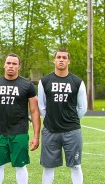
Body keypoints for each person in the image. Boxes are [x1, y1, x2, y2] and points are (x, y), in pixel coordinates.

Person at [0, 53, 41, 184]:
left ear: (19, 67)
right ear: (4, 65)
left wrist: (36, 136)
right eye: (8, 63)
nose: (11, 66)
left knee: (20, 166)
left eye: (14, 64)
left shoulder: (28, 85)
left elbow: (34, 111)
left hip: (19, 132)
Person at [38, 48, 87, 184]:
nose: (61, 60)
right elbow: (42, 106)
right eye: (58, 57)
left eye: (64, 58)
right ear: (54, 60)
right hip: (50, 130)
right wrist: (52, 120)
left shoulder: (77, 82)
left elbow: (82, 108)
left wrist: (69, 121)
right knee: (48, 167)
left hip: (72, 131)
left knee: (76, 166)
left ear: (68, 61)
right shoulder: (45, 81)